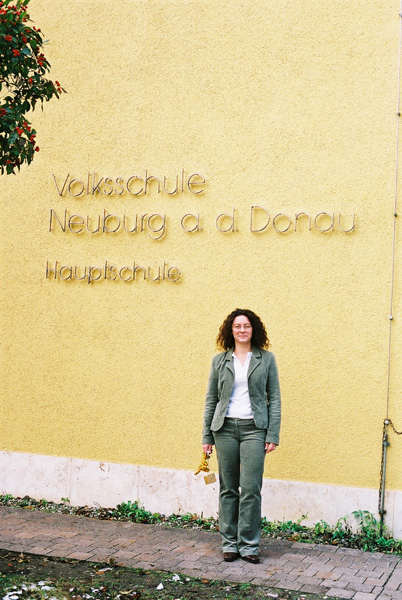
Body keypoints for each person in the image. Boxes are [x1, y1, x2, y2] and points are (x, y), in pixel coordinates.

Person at [202, 308, 281, 564]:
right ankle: (229, 544)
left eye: (246, 326)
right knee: (228, 488)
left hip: (254, 430)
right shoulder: (220, 361)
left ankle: (248, 545)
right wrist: (206, 436)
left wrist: (273, 433)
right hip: (224, 429)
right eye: (237, 326)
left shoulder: (266, 359)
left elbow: (274, 398)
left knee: (250, 489)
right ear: (231, 331)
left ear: (253, 329)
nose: (242, 330)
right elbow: (212, 400)